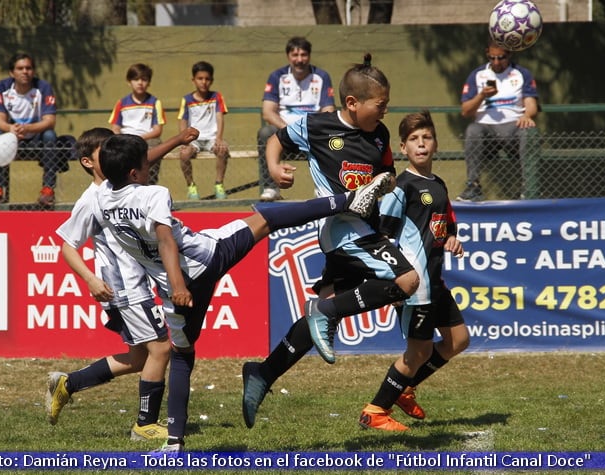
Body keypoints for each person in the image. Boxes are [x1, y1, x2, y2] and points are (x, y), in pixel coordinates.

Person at [88, 133, 392, 451]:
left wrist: (177, 140)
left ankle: (174, 441)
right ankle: (349, 200)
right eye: (144, 161)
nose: (150, 162)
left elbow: (136, 168)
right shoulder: (154, 195)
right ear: (136, 173)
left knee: (181, 355)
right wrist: (179, 285)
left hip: (171, 289)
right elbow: (166, 240)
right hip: (205, 257)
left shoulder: (101, 197)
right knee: (266, 219)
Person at [242, 54, 420, 429]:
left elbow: (386, 175)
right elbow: (276, 138)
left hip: (365, 230)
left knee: (322, 309)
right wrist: (274, 167)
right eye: (380, 105)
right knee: (407, 281)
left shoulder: (379, 135)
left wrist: (383, 185)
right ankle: (327, 313)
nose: (385, 112)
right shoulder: (317, 126)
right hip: (342, 228)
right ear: (352, 103)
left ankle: (263, 373)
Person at [47, 126, 199, 441]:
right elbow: (66, 245)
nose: (117, 152)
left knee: (139, 357)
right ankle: (144, 426)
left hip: (135, 284)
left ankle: (68, 384)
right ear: (89, 162)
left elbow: (141, 159)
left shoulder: (118, 188)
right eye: (108, 150)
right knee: (160, 349)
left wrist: (175, 140)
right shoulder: (93, 198)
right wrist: (90, 279)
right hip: (126, 287)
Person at [359, 110, 469, 432]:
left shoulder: (438, 184)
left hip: (436, 280)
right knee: (418, 350)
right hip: (415, 284)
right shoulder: (400, 187)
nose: (421, 144)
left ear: (435, 143)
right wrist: (392, 282)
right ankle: (376, 409)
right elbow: (383, 237)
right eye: (413, 140)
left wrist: (451, 238)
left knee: (458, 340)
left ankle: (405, 388)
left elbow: (445, 227)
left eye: (427, 137)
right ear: (403, 148)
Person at [457, 40, 539, 202]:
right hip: (486, 130)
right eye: (492, 57)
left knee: (529, 131)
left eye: (500, 58)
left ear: (509, 55)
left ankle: (529, 188)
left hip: (513, 128)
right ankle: (473, 186)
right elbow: (466, 111)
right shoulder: (478, 75)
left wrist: (526, 115)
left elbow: (532, 106)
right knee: (473, 129)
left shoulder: (521, 74)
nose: (496, 62)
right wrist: (482, 95)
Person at [257, 36, 336, 201]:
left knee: (331, 133)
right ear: (288, 57)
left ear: (309, 56)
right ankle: (271, 188)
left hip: (312, 131)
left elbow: (328, 109)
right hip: (284, 131)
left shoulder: (322, 76)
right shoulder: (276, 76)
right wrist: (288, 130)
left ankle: (323, 189)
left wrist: (314, 128)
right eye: (295, 55)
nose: (299, 60)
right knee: (265, 132)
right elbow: (268, 112)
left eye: (304, 55)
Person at [0, 53, 63, 211]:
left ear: (33, 71)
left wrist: (27, 128)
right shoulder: (2, 87)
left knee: (50, 135)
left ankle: (47, 190)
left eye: (28, 68)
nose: (25, 71)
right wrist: (11, 129)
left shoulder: (43, 87)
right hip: (12, 137)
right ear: (12, 73)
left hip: (36, 137)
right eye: (20, 68)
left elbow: (50, 121)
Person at [177, 61, 230, 200]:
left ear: (211, 80)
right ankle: (191, 186)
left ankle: (219, 184)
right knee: (184, 154)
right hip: (194, 139)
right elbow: (182, 121)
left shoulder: (216, 97)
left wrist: (219, 138)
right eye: (200, 78)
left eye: (207, 79)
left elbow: (219, 118)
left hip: (211, 138)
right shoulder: (187, 99)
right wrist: (185, 141)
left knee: (223, 149)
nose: (204, 82)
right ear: (193, 80)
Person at [109, 63, 166, 185]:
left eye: (144, 79)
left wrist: (139, 138)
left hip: (146, 140)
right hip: (125, 140)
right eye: (136, 79)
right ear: (129, 82)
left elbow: (157, 130)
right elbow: (115, 127)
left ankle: (149, 184)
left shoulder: (155, 102)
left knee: (155, 144)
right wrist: (124, 139)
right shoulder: (121, 103)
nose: (140, 83)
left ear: (149, 82)